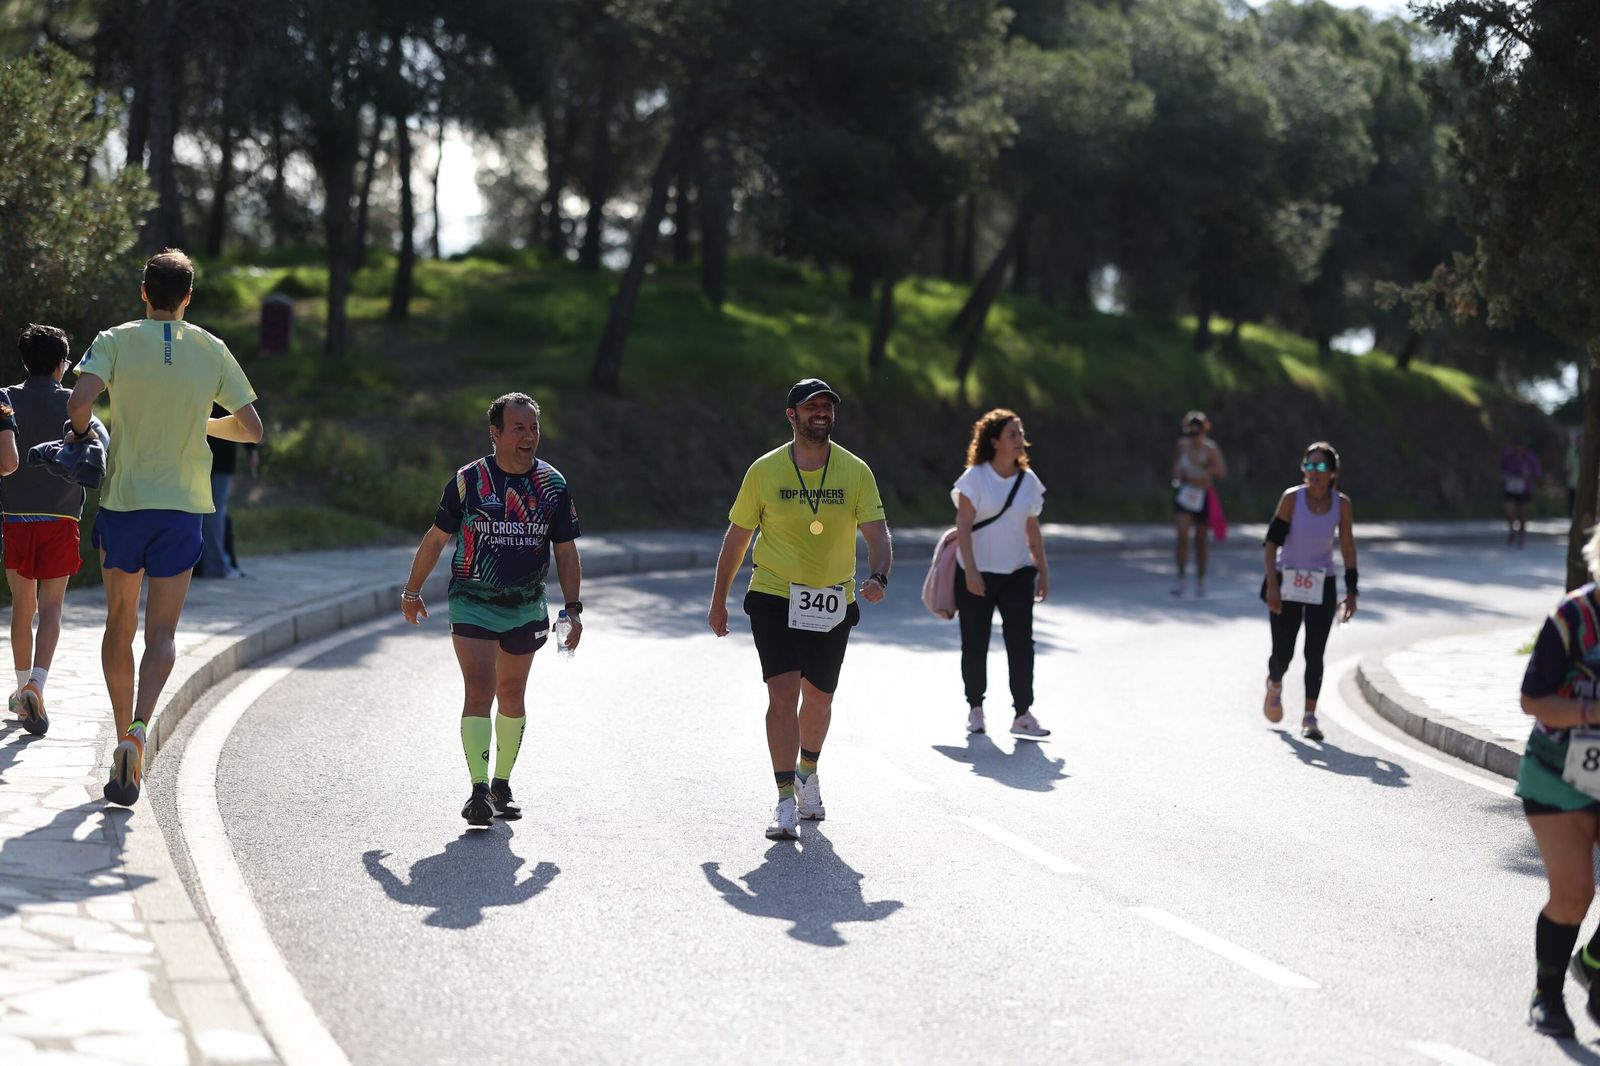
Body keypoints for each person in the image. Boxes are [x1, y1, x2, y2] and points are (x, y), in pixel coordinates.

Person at [68, 249, 263, 807]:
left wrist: (82, 433)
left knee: (118, 625)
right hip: (182, 509)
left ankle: (118, 731)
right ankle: (138, 731)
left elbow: (81, 401)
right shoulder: (212, 348)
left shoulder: (114, 339)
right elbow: (251, 429)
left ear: (143, 291)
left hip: (126, 503)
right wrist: (199, 420)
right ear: (188, 296)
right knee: (163, 635)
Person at [707, 378, 891, 842]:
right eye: (812, 407)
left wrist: (878, 576)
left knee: (821, 697)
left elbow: (877, 533)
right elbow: (737, 537)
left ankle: (808, 774)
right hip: (774, 593)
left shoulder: (855, 471)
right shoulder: (765, 471)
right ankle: (785, 798)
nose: (821, 413)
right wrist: (718, 600)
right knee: (783, 693)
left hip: (833, 597)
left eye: (827, 406)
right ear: (792, 415)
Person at [399, 393, 582, 827]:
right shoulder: (469, 481)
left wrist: (572, 608)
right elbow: (436, 538)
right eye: (518, 428)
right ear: (495, 433)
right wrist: (412, 591)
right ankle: (478, 789)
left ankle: (502, 783)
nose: (529, 436)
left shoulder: (552, 485)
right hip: (472, 602)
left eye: (533, 428)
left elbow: (566, 550)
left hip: (524, 605)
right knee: (480, 686)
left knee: (512, 695)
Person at [1514, 525, 1600, 1036]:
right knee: (1575, 893)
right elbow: (1532, 699)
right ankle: (1547, 993)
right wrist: (1592, 711)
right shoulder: (1573, 617)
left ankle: (1592, 963)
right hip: (1558, 772)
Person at [4, 324, 102, 736]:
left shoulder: (6, 397)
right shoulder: (74, 403)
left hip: (14, 516)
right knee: (53, 607)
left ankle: (22, 686)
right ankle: (38, 685)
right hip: (63, 519)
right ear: (63, 364)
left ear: (25, 360)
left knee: (22, 606)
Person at [952, 408, 1050, 739]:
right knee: (975, 642)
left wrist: (1043, 570)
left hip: (1018, 574)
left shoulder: (1029, 481)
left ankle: (1022, 713)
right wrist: (971, 572)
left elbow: (1032, 528)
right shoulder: (974, 479)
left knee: (1022, 643)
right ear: (994, 441)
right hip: (976, 573)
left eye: (1021, 433)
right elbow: (963, 526)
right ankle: (975, 708)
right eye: (1012, 434)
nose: (1020, 439)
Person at [1261, 442, 1358, 742]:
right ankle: (1275, 682)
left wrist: (1351, 591)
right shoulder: (1292, 499)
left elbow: (1347, 548)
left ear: (1333, 474)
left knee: (1314, 653)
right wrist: (1273, 586)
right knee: (1283, 653)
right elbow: (1271, 543)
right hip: (1286, 580)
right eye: (1309, 466)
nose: (1313, 473)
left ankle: (1309, 716)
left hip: (1321, 583)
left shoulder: (1341, 505)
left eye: (1320, 467)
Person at [196, 402, 257, 578]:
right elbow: (244, 412)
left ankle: (202, 565)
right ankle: (215, 566)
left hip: (195, 457)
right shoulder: (223, 375)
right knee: (214, 514)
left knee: (202, 513)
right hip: (219, 459)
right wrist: (251, 449)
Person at [1170, 410, 1226, 597]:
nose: (1193, 437)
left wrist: (1206, 469)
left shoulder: (1210, 449)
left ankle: (1201, 579)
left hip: (1202, 496)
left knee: (1201, 540)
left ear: (1204, 431)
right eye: (1190, 433)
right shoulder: (1182, 446)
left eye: (1197, 433)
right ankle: (1181, 578)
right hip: (1186, 494)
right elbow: (1176, 467)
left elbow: (1221, 472)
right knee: (1182, 535)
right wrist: (1178, 476)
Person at [1503, 441, 1542, 548]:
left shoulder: (1530, 458)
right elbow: (1502, 469)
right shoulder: (1509, 456)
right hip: (1511, 488)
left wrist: (1529, 474)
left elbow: (1537, 472)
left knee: (1522, 515)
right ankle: (1512, 531)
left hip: (1525, 490)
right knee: (1509, 511)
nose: (1518, 450)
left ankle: (1522, 536)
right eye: (1516, 448)